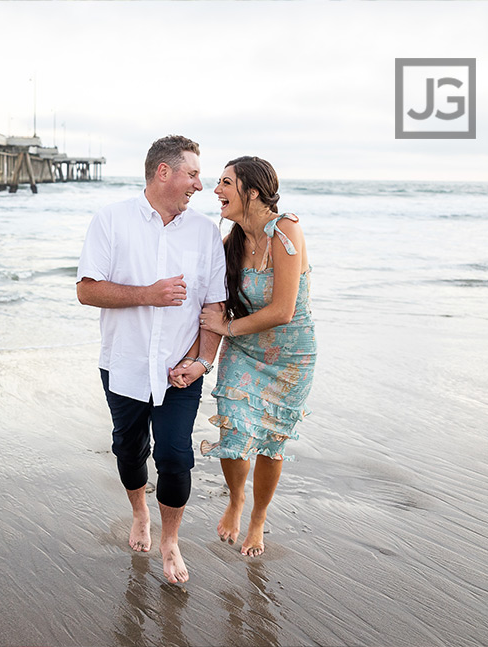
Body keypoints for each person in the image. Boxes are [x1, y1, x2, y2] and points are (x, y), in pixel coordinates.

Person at [76, 135, 226, 584]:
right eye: (193, 174)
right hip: (123, 364)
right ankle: (140, 512)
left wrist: (202, 362)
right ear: (165, 172)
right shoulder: (111, 220)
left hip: (181, 371)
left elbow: (214, 309)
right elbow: (86, 290)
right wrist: (148, 295)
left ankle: (170, 540)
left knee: (176, 457)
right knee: (128, 449)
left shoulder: (204, 233)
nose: (201, 184)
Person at [196, 156, 317, 557]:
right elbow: (209, 300)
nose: (217, 190)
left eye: (225, 183)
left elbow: (282, 311)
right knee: (234, 435)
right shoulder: (230, 243)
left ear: (251, 191)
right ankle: (235, 498)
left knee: (270, 443)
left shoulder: (287, 230)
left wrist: (224, 328)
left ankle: (259, 519)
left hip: (289, 357)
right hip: (245, 351)